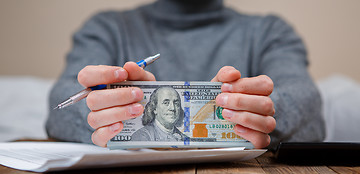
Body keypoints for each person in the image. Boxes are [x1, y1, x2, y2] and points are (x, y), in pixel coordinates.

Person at [46, 0, 325, 150]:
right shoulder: (107, 27)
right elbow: (61, 102)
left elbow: (308, 104)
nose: (175, 108)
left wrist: (254, 119)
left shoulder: (269, 31)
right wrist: (119, 122)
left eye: (177, 103)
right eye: (166, 103)